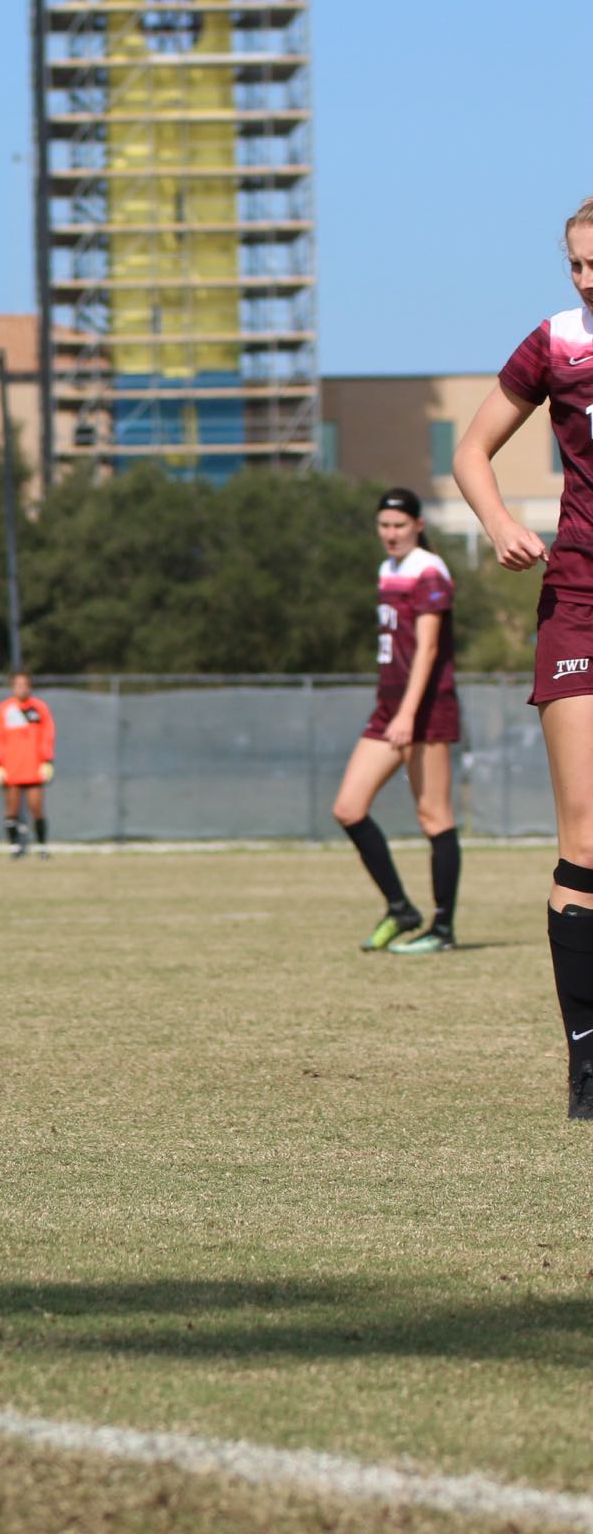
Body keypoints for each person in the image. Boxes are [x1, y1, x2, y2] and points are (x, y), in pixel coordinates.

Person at [451, 195, 593, 1116]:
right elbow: (472, 449)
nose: (587, 279)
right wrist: (500, 520)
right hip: (579, 602)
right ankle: (588, 1064)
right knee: (586, 836)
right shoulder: (556, 342)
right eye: (577, 264)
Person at [328, 487, 463, 955]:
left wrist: (407, 713)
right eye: (384, 525)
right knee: (348, 808)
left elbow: (427, 649)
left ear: (418, 526)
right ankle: (400, 908)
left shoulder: (430, 570)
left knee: (434, 816)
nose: (390, 533)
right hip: (389, 709)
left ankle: (442, 928)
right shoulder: (388, 570)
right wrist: (394, 711)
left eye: (399, 525)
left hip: (424, 709)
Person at [0, 671, 55, 859]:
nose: (22, 688)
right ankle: (15, 847)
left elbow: (48, 735)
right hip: (11, 767)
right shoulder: (4, 710)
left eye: (25, 684)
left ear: (30, 686)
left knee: (36, 807)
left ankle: (42, 846)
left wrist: (47, 760)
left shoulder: (39, 708)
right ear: (12, 687)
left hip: (34, 767)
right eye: (17, 684)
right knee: (12, 809)